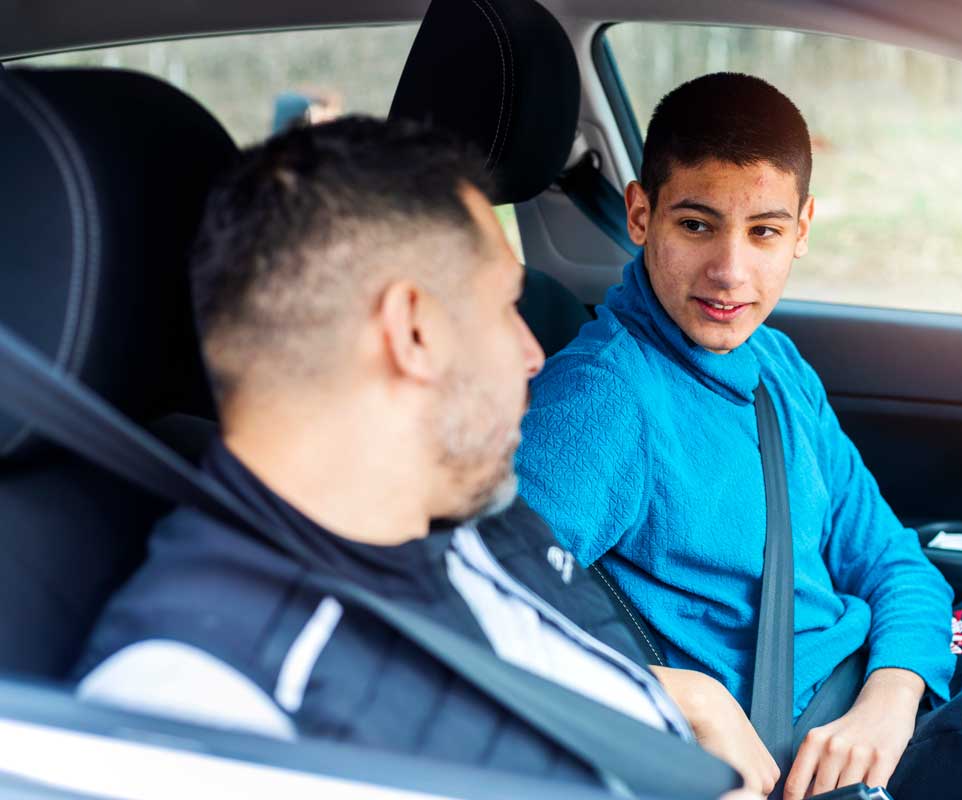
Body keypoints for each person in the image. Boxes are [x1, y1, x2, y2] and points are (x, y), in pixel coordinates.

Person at [516, 72, 962, 799]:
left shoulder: (773, 364)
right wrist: (684, 697)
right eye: (696, 224)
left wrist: (894, 691)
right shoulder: (601, 401)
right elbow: (477, 610)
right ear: (641, 214)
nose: (730, 270)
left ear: (802, 229)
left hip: (885, 691)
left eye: (764, 231)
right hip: (826, 766)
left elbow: (887, 554)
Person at [71, 116, 758, 798]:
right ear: (415, 331)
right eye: (505, 307)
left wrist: (683, 697)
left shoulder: (470, 514)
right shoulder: (205, 707)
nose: (532, 353)